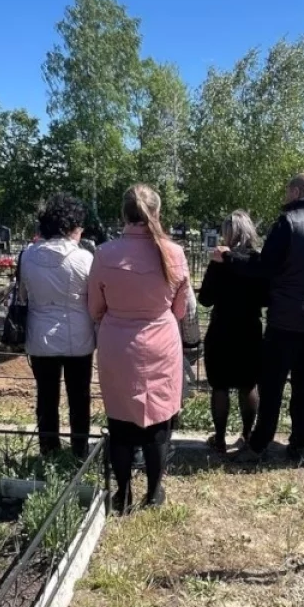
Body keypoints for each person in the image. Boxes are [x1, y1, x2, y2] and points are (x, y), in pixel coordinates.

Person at [214, 172, 304, 463]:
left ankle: (260, 443)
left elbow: (264, 267)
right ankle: (299, 442)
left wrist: (229, 258)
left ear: (298, 191)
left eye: (287, 192)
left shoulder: (288, 223)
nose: (284, 197)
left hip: (286, 318)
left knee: (272, 384)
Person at [89, 184, 190, 512]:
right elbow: (180, 311)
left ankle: (123, 493)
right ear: (157, 213)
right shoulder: (174, 253)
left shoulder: (104, 254)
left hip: (118, 344)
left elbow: (95, 308)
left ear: (123, 214)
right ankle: (155, 492)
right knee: (158, 423)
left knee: (120, 423)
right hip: (161, 343)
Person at [19, 193, 95, 459]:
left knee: (46, 397)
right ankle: (80, 450)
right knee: (79, 397)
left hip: (40, 336)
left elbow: (23, 296)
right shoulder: (84, 259)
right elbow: (94, 299)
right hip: (78, 336)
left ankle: (48, 450)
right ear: (72, 227)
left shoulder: (27, 256)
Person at [198, 210, 265, 452]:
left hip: (222, 328)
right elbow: (266, 297)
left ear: (229, 233)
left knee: (220, 386)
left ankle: (219, 439)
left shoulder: (220, 261)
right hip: (250, 328)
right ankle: (247, 436)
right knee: (248, 384)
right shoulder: (258, 261)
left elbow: (205, 298)